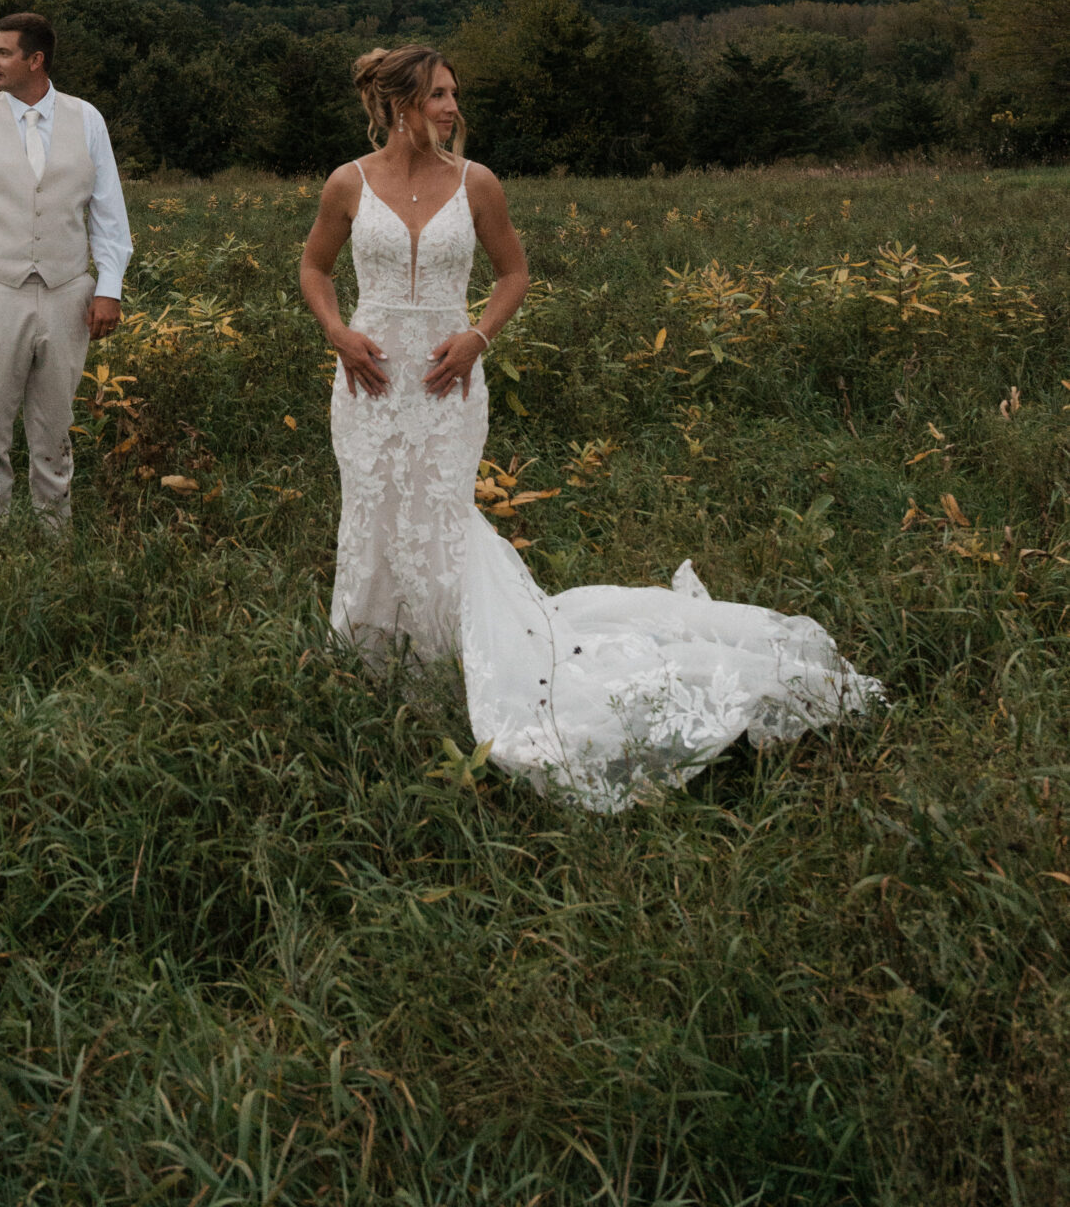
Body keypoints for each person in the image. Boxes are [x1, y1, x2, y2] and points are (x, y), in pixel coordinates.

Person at [300, 43, 882, 810]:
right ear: (401, 103)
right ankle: (369, 664)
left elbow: (514, 274)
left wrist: (477, 337)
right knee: (370, 513)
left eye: (453, 93)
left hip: (448, 385)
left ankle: (451, 665)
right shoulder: (348, 181)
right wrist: (337, 332)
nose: (451, 106)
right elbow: (313, 268)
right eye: (439, 93)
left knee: (438, 518)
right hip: (369, 384)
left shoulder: (476, 185)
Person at [0, 12, 131, 527]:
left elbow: (109, 214)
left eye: (2, 52)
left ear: (35, 60)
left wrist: (109, 288)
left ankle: (53, 537)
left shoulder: (87, 120)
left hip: (67, 294)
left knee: (54, 428)